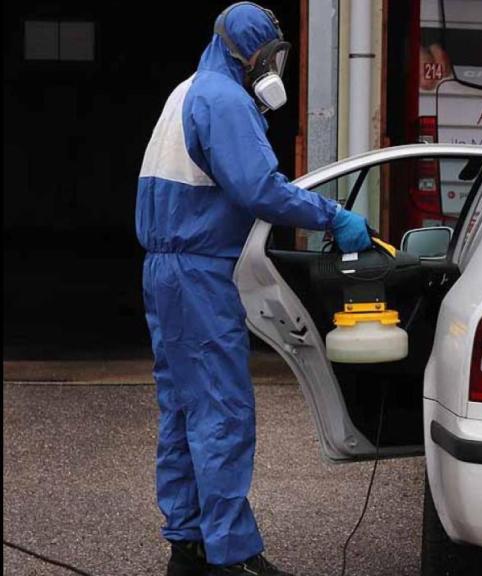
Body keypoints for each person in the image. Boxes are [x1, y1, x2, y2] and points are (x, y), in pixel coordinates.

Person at [135, 3, 370, 575]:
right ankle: (231, 556)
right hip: (198, 273)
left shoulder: (187, 91)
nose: (274, 70)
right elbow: (260, 188)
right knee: (222, 411)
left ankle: (188, 546)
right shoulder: (225, 101)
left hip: (168, 271)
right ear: (252, 55)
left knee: (186, 410)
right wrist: (332, 216)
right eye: (271, 57)